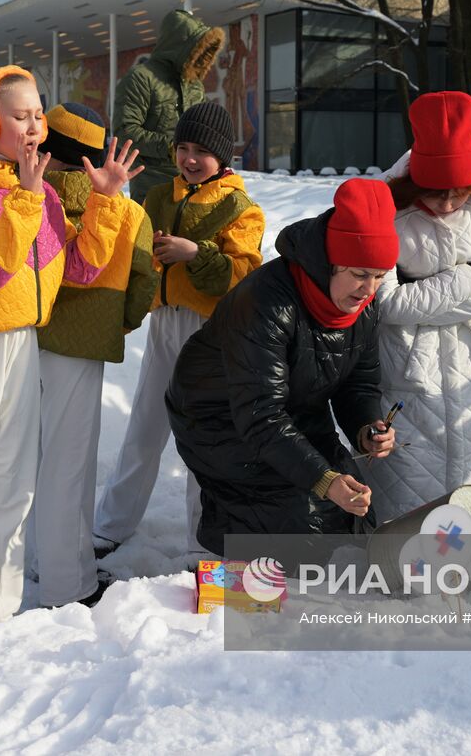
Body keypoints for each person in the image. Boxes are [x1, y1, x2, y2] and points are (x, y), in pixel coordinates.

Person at [0, 67, 138, 628]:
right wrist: (27, 201)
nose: (34, 127)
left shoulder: (42, 191)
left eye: (38, 114)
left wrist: (104, 203)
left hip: (24, 342)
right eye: (19, 116)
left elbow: (76, 269)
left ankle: (1, 615)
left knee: (13, 488)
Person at [167, 178, 400, 553]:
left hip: (291, 406)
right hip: (217, 416)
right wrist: (323, 480)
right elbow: (259, 415)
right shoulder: (266, 303)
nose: (369, 290)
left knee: (351, 514)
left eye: (379, 277)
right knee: (296, 518)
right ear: (329, 263)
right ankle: (224, 574)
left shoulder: (362, 305)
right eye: (359, 274)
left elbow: (358, 382)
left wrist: (366, 427)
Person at [94, 102, 265, 556]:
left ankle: (204, 541)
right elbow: (134, 254)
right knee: (145, 425)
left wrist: (197, 254)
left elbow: (243, 276)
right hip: (164, 324)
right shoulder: (158, 196)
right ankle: (112, 523)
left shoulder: (239, 206)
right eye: (182, 147)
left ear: (223, 157)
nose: (189, 159)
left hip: (210, 333)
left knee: (204, 433)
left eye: (201, 151)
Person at [367, 92, 471, 522]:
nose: (450, 204)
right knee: (411, 474)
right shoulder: (383, 205)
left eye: (460, 193)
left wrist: (427, 303)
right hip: (405, 362)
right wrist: (465, 277)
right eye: (437, 195)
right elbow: (386, 304)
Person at [33, 102, 158, 608]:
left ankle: (40, 561)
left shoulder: (29, 197)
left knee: (30, 460)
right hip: (79, 351)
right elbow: (142, 290)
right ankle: (69, 583)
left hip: (21, 341)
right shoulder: (127, 212)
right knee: (70, 465)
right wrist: (116, 323)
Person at [113, 9, 224, 201]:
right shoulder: (141, 77)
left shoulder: (193, 82)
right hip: (153, 185)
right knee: (154, 231)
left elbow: (205, 125)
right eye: (196, 49)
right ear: (180, 46)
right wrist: (171, 148)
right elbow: (125, 130)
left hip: (194, 182)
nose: (199, 56)